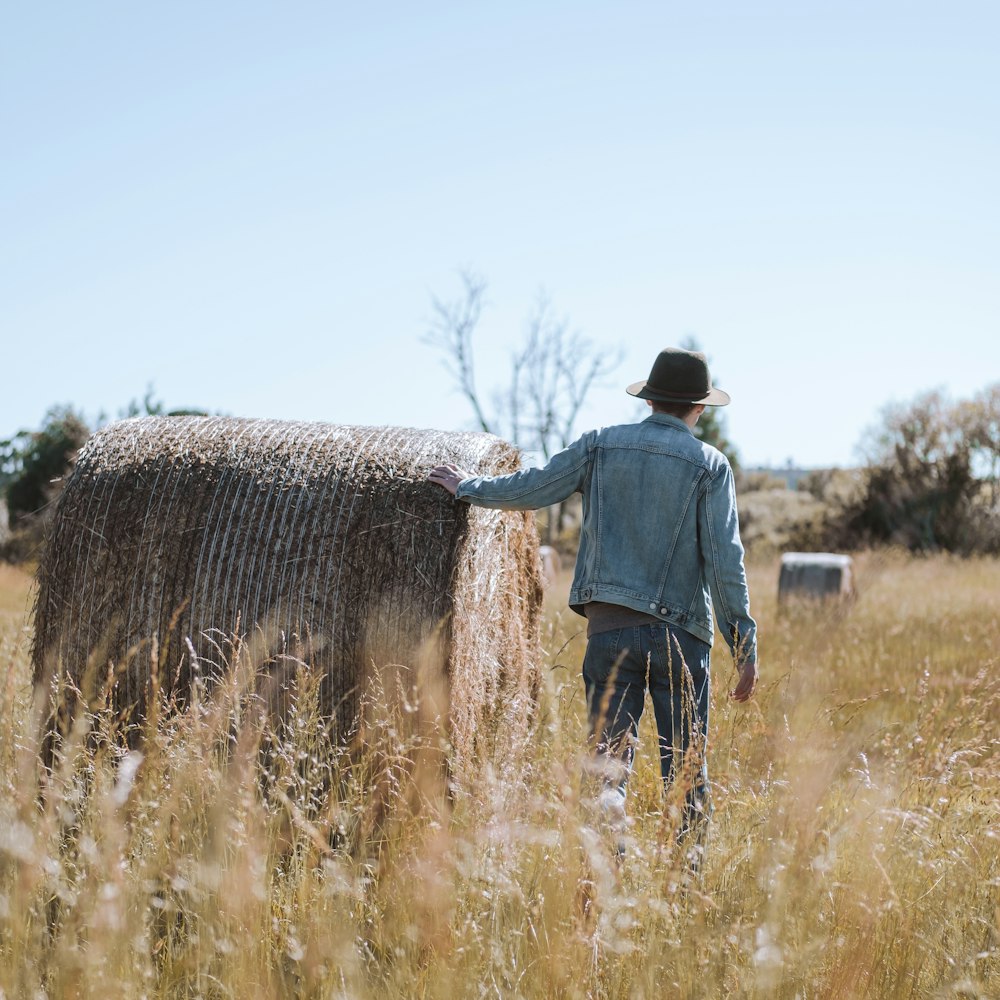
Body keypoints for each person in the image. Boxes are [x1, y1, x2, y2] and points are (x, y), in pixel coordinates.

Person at [428, 346, 757, 861]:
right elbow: (724, 561)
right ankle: (686, 891)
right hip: (682, 638)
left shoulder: (600, 446)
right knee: (686, 773)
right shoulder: (709, 466)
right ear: (698, 408)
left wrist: (468, 486)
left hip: (610, 632)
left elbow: (534, 487)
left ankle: (607, 876)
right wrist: (743, 645)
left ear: (649, 400)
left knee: (606, 769)